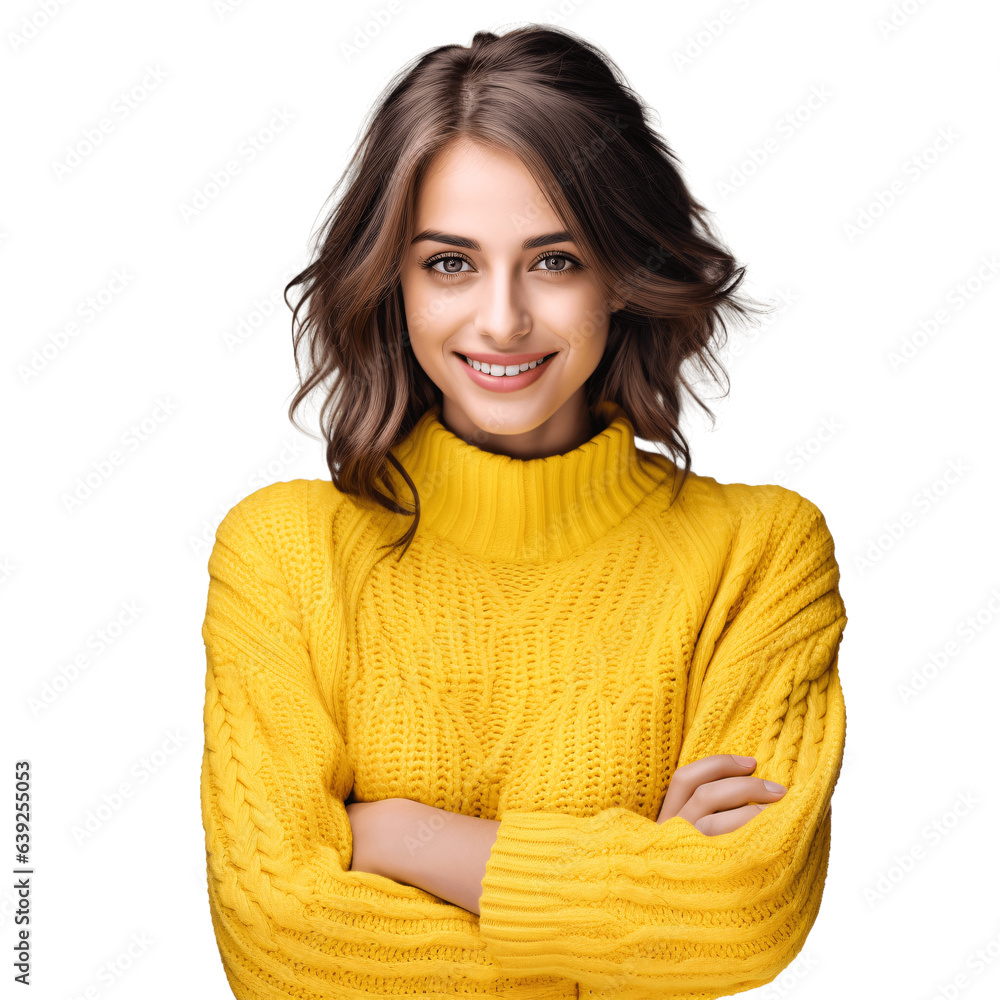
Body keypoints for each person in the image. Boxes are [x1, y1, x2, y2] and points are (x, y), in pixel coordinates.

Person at [200, 24, 848, 1000]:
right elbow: (281, 939)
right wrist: (627, 917)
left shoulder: (758, 554)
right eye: (450, 263)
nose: (501, 319)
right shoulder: (284, 554)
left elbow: (740, 909)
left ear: (623, 273)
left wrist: (397, 836)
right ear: (391, 278)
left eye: (553, 261)